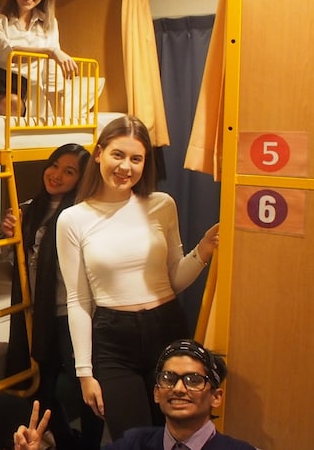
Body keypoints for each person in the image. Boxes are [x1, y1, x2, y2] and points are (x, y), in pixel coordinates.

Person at [55, 115, 220, 440]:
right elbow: (78, 301)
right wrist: (85, 374)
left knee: (179, 435)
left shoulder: (162, 205)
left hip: (167, 329)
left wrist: (202, 250)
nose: (125, 167)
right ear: (99, 153)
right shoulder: (73, 219)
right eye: (118, 155)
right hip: (113, 341)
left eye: (136, 159)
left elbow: (173, 279)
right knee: (134, 439)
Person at [2, 143, 103, 450]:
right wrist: (10, 237)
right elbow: (18, 263)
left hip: (70, 312)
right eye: (55, 165)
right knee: (39, 388)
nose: (57, 175)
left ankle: (90, 446)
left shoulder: (82, 214)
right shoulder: (28, 209)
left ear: (81, 178)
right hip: (39, 312)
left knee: (85, 389)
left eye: (69, 172)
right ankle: (67, 441)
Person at [15, 339, 256, 450]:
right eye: (168, 378)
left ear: (216, 396)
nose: (179, 388)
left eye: (193, 380)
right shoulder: (134, 443)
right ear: (156, 393)